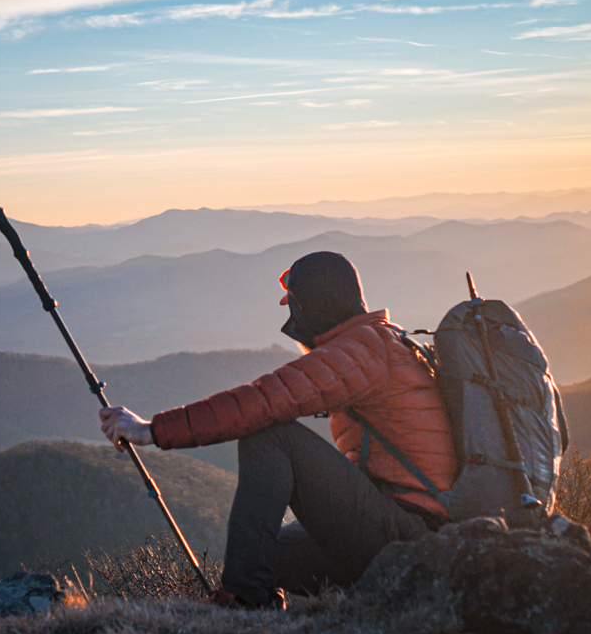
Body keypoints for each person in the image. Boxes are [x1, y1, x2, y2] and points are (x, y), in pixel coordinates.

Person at [99, 251, 457, 608]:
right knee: (271, 556)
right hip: (407, 524)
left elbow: (260, 401)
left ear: (310, 308)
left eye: (294, 308)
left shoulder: (359, 353)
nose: (292, 320)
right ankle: (267, 604)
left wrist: (153, 430)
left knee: (270, 435)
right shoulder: (381, 340)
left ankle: (244, 602)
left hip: (406, 534)